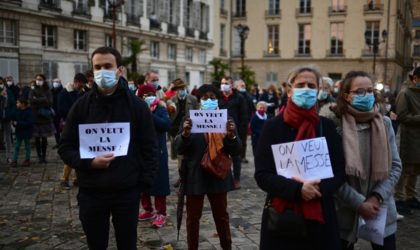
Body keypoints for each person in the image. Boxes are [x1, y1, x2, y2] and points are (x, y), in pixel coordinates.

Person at [58, 46, 158, 250]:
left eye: (108, 66)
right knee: (96, 244)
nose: (102, 71)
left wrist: (142, 185)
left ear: (119, 70)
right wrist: (89, 162)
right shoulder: (81, 106)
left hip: (127, 192)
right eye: (97, 67)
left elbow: (150, 148)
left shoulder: (137, 107)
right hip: (91, 192)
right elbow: (65, 147)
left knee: (127, 244)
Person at [254, 65, 345, 250]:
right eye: (300, 84)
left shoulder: (326, 126)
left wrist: (319, 188)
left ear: (318, 90)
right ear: (289, 90)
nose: (306, 89)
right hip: (283, 217)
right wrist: (297, 189)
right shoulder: (273, 127)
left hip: (321, 215)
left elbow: (339, 169)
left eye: (311, 86)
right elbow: (263, 174)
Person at [321, 71, 401, 250]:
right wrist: (358, 202)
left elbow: (395, 166)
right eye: (359, 92)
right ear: (347, 96)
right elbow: (329, 173)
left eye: (370, 90)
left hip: (380, 207)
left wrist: (376, 197)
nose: (366, 95)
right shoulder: (333, 126)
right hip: (344, 210)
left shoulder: (385, 123)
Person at [175, 84, 241, 250]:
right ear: (199, 100)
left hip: (218, 174)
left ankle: (227, 246)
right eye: (205, 98)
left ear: (217, 99)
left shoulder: (226, 119)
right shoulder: (189, 119)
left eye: (212, 98)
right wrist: (185, 134)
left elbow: (236, 150)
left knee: (222, 217)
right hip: (195, 175)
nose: (209, 101)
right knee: (192, 218)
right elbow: (178, 147)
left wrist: (232, 136)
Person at [136, 84, 171, 228]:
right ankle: (147, 210)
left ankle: (161, 213)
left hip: (158, 152)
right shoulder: (137, 110)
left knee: (159, 184)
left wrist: (150, 115)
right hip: (142, 152)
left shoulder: (161, 109)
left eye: (151, 94)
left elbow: (166, 125)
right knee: (143, 182)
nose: (149, 97)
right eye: (145, 95)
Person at [394, 66, 420, 215]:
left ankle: (410, 196)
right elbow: (401, 116)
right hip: (408, 137)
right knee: (406, 169)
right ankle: (399, 198)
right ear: (415, 78)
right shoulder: (405, 93)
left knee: (416, 169)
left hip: (418, 136)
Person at [58, 73, 88, 189]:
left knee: (81, 152)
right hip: (69, 126)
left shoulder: (83, 92)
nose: (82, 87)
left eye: (83, 86)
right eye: (80, 85)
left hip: (82, 126)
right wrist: (74, 114)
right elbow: (61, 109)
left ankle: (77, 178)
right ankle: (64, 179)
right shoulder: (64, 93)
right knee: (71, 152)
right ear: (75, 81)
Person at [219, 76, 247, 189]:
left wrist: (240, 131)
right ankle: (222, 176)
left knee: (236, 156)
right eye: (222, 83)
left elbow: (244, 116)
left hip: (235, 131)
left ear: (231, 85)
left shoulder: (239, 98)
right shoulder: (218, 98)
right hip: (220, 131)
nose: (223, 85)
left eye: (226, 83)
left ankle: (236, 178)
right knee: (221, 154)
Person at [29, 74, 55, 164]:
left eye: (40, 79)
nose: (38, 81)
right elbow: (31, 101)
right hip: (35, 117)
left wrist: (38, 100)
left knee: (44, 138)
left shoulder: (47, 90)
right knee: (36, 138)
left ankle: (43, 156)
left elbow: (50, 103)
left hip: (45, 118)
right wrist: (43, 99)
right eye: (37, 79)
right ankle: (39, 156)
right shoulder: (32, 90)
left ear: (44, 80)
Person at [234, 79, 255, 163]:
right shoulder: (235, 96)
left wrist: (250, 119)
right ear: (236, 87)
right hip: (235, 121)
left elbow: (252, 108)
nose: (243, 87)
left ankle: (242, 156)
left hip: (245, 121)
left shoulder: (248, 96)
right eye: (241, 86)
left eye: (244, 86)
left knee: (243, 141)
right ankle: (234, 156)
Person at [10, 98, 33, 167]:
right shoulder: (17, 111)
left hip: (26, 132)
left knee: (27, 146)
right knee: (17, 146)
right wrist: (14, 123)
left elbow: (29, 122)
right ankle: (14, 160)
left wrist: (18, 123)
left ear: (22, 104)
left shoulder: (29, 112)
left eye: (18, 103)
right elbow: (15, 119)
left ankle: (27, 160)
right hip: (19, 132)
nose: (17, 104)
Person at [0, 79, 17, 163]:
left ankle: (9, 156)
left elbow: (13, 104)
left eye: (1, 83)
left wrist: (11, 114)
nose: (0, 85)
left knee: (8, 137)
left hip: (7, 117)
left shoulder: (8, 92)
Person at [51, 78, 63, 148]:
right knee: (56, 129)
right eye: (54, 82)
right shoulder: (51, 91)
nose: (56, 83)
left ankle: (63, 142)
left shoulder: (62, 91)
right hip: (54, 112)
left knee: (63, 128)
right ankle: (58, 142)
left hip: (61, 112)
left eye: (57, 82)